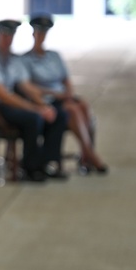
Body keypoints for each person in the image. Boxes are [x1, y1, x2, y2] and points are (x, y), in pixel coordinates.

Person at [0, 19, 68, 183]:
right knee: (33, 119)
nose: (8, 40)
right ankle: (30, 168)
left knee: (58, 115)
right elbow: (3, 95)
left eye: (11, 36)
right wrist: (35, 109)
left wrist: (44, 106)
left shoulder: (14, 60)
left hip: (8, 106)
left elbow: (27, 86)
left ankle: (47, 163)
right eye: (5, 36)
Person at [23, 14, 108, 174]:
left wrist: (68, 92)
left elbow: (66, 79)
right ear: (33, 33)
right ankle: (89, 154)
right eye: (38, 32)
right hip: (46, 99)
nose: (41, 36)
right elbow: (28, 87)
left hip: (62, 96)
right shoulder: (26, 60)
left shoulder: (54, 56)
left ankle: (86, 155)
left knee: (82, 105)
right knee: (73, 110)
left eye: (44, 32)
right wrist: (55, 93)